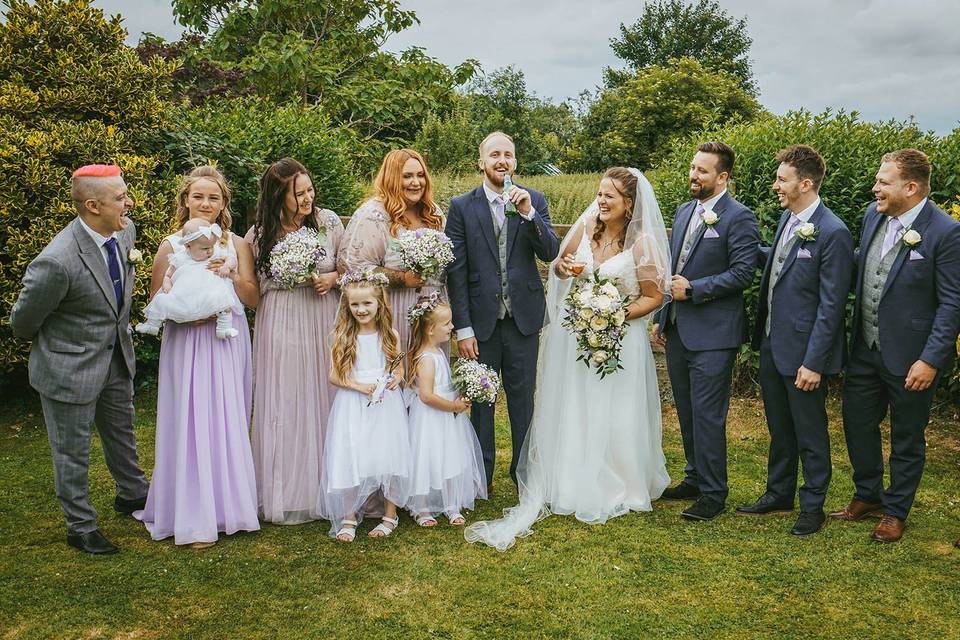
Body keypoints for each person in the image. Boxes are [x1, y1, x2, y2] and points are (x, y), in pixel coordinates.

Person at [465, 167, 672, 551]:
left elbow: (654, 295)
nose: (601, 201)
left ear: (629, 204)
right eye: (600, 193)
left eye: (610, 196)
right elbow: (559, 264)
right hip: (578, 336)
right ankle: (572, 476)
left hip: (619, 341)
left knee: (616, 408)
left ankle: (621, 480)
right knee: (577, 404)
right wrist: (563, 269)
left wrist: (613, 314)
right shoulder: (587, 225)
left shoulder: (642, 242)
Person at [10, 164, 148, 555]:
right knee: (71, 450)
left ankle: (133, 494)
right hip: (68, 369)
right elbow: (23, 322)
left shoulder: (125, 233)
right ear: (91, 205)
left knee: (122, 432)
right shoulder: (56, 261)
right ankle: (80, 525)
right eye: (120, 198)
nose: (129, 203)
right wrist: (67, 344)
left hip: (116, 359)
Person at [831, 149, 960, 543]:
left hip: (912, 356)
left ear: (911, 187)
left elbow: (953, 301)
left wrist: (931, 359)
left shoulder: (946, 232)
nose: (875, 188)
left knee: (907, 436)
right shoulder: (873, 217)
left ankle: (896, 510)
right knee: (856, 423)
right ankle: (868, 494)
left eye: (883, 181)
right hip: (866, 348)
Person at [135, 165, 260, 549]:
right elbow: (157, 301)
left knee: (226, 417)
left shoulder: (236, 244)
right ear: (185, 201)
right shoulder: (170, 246)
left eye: (214, 197)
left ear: (224, 204)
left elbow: (253, 298)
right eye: (198, 196)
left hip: (226, 340)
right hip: (187, 342)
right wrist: (188, 315)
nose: (206, 203)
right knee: (189, 419)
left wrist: (231, 276)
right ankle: (191, 514)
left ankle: (228, 508)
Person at [737, 145, 854, 536]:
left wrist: (815, 362)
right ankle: (779, 492)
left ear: (806, 183)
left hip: (805, 353)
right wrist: (741, 247)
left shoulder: (833, 231)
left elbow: (832, 305)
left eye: (782, 180)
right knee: (779, 426)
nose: (776, 187)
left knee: (810, 431)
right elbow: (780, 262)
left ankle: (813, 505)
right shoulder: (789, 219)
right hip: (773, 344)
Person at [445, 131, 560, 491]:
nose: (502, 161)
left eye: (508, 155)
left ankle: (523, 475)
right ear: (481, 162)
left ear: (515, 161)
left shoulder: (533, 200)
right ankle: (481, 478)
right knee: (481, 401)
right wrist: (462, 328)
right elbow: (456, 270)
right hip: (480, 323)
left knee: (524, 400)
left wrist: (528, 215)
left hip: (523, 319)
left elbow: (550, 252)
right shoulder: (462, 206)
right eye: (494, 154)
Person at [652, 141, 760, 522]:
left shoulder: (740, 217)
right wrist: (662, 317)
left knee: (708, 415)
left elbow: (743, 273)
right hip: (679, 330)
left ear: (722, 177)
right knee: (685, 410)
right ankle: (695, 477)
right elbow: (670, 270)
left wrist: (696, 290)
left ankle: (714, 493)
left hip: (715, 334)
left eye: (702, 170)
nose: (693, 175)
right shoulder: (684, 212)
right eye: (693, 168)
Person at [245, 158, 345, 525]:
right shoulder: (258, 236)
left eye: (309, 189)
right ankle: (287, 491)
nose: (307, 198)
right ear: (278, 197)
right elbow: (253, 285)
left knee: (325, 394)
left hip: (322, 315)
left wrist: (332, 277)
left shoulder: (329, 222)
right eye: (298, 193)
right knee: (286, 398)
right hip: (282, 319)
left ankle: (330, 486)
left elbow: (350, 267)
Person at [321, 270, 412, 542]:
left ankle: (390, 514)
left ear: (379, 303)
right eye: (355, 304)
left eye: (367, 303)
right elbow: (334, 375)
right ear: (347, 307)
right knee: (351, 455)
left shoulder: (390, 334)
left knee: (388, 454)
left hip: (385, 404)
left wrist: (395, 379)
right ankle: (349, 516)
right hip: (353, 402)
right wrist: (361, 388)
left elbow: (399, 370)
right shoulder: (342, 335)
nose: (361, 309)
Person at [338, 149, 446, 350]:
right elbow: (354, 269)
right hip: (393, 310)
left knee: (430, 376)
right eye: (407, 176)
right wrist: (403, 278)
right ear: (392, 178)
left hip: (433, 311)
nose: (416, 182)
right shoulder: (374, 215)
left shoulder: (433, 213)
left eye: (420, 175)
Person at [404, 293, 486, 527]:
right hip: (431, 419)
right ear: (430, 330)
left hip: (447, 417)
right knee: (427, 459)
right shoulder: (426, 358)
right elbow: (427, 396)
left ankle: (451, 504)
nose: (452, 327)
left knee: (450, 457)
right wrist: (454, 406)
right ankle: (422, 508)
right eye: (447, 323)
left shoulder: (439, 352)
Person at [135, 218, 242, 339]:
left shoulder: (215, 253)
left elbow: (231, 259)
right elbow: (168, 274)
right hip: (185, 297)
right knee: (161, 301)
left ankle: (224, 328)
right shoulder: (180, 257)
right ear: (188, 246)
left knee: (224, 301)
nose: (210, 251)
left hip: (208, 293)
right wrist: (166, 283)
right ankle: (152, 325)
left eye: (211, 246)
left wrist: (227, 266)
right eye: (205, 248)